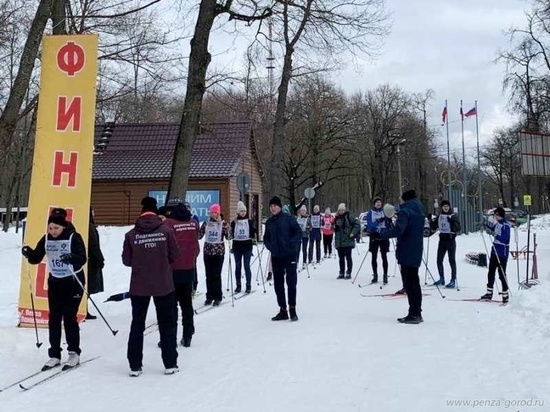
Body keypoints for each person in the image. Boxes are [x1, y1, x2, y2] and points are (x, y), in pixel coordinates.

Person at [22, 208, 87, 371]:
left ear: (63, 227)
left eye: (56, 228)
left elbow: (82, 258)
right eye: (50, 228)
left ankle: (73, 352)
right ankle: (54, 355)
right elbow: (36, 258)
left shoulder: (74, 237)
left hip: (73, 281)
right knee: (54, 318)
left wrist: (71, 257)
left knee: (70, 316)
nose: (53, 231)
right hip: (55, 282)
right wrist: (29, 253)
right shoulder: (46, 239)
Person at [122, 196, 181, 376]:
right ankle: (170, 363)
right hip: (163, 284)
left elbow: (126, 260)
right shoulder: (166, 231)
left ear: (141, 212)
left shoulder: (131, 234)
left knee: (137, 324)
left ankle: (134, 365)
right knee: (167, 323)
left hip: (139, 285)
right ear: (156, 212)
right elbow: (175, 255)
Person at [372, 190, 425, 324]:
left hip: (406, 249)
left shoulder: (405, 211)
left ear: (405, 199)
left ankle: (414, 314)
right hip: (416, 248)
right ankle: (416, 312)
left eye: (401, 199)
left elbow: (399, 229)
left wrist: (381, 235)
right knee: (415, 282)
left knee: (410, 283)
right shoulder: (419, 209)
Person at [164, 199, 200, 347]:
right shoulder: (193, 223)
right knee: (187, 304)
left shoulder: (169, 224)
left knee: (172, 306)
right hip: (189, 268)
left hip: (173, 269)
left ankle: (170, 336)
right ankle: (188, 334)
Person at [263, 196, 302, 321]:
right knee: (278, 284)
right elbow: (266, 238)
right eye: (271, 206)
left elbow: (298, 232)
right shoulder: (269, 222)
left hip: (289, 255)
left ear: (279, 206)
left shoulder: (289, 219)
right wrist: (271, 247)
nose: (273, 208)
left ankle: (293, 309)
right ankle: (283, 309)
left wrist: (292, 245)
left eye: (275, 206)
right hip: (276, 256)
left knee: (291, 282)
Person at [199, 203, 229, 306]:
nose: (213, 214)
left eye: (215, 212)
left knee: (216, 275)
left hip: (219, 252)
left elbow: (229, 237)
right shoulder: (206, 223)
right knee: (209, 275)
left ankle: (217, 296)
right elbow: (199, 235)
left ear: (219, 212)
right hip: (207, 251)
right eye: (212, 212)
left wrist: (228, 229)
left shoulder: (223, 223)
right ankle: (209, 296)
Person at [480, 207, 511, 304]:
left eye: (496, 215)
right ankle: (489, 292)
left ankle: (505, 295)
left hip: (502, 252)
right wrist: (485, 226)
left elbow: (505, 238)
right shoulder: (497, 224)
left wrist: (494, 234)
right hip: (494, 251)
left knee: (501, 274)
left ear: (499, 215)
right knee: (491, 272)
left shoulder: (506, 225)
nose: (495, 216)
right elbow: (493, 229)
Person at [429, 200, 461, 288]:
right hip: (442, 240)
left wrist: (452, 222)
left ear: (449, 207)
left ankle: (453, 280)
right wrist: (430, 220)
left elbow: (458, 228)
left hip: (450, 240)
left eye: (447, 206)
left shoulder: (453, 216)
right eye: (444, 206)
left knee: (451, 260)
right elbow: (434, 227)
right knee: (439, 260)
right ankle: (441, 278)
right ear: (442, 207)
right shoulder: (440, 216)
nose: (446, 208)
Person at [231, 201, 257, 294]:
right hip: (237, 247)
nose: (243, 213)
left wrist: (254, 231)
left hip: (247, 247)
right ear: (238, 212)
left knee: (246, 266)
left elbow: (253, 232)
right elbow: (232, 234)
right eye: (241, 211)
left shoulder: (249, 221)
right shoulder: (234, 222)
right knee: (238, 266)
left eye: (244, 211)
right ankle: (238, 285)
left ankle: (248, 285)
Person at [366, 197, 392, 285]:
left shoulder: (384, 212)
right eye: (377, 202)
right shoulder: (370, 213)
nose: (378, 204)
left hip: (384, 237)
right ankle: (375, 275)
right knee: (374, 257)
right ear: (374, 204)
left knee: (384, 257)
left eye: (380, 202)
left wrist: (388, 220)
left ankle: (385, 275)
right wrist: (377, 221)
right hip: (374, 237)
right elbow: (370, 226)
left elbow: (389, 224)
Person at [86, 208, 105, 320]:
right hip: (91, 261)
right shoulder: (90, 227)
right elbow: (94, 245)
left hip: (87, 259)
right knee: (88, 286)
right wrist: (100, 259)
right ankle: (84, 310)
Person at [334, 203, 361, 279]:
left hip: (348, 240)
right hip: (339, 242)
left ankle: (349, 272)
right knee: (341, 258)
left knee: (348, 257)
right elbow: (335, 228)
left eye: (342, 210)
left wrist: (352, 233)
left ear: (344, 210)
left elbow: (357, 224)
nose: (341, 211)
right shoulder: (336, 218)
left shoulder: (349, 216)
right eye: (339, 210)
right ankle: (341, 272)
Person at [184, 201, 200, 292]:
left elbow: (197, 232)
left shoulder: (194, 218)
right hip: (183, 247)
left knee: (193, 266)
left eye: (188, 208)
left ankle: (194, 286)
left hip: (192, 246)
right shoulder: (180, 219)